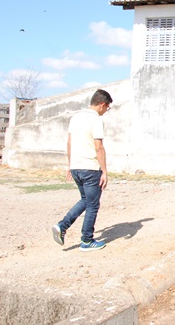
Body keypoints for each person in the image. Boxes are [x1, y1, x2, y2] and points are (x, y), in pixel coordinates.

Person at [52, 89, 113, 252]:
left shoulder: (76, 117)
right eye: (107, 108)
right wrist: (105, 171)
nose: (106, 111)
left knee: (85, 200)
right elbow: (99, 147)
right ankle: (87, 240)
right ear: (102, 104)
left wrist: (70, 165)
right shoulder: (95, 120)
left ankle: (62, 226)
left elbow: (69, 143)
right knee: (93, 204)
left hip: (76, 167)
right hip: (90, 168)